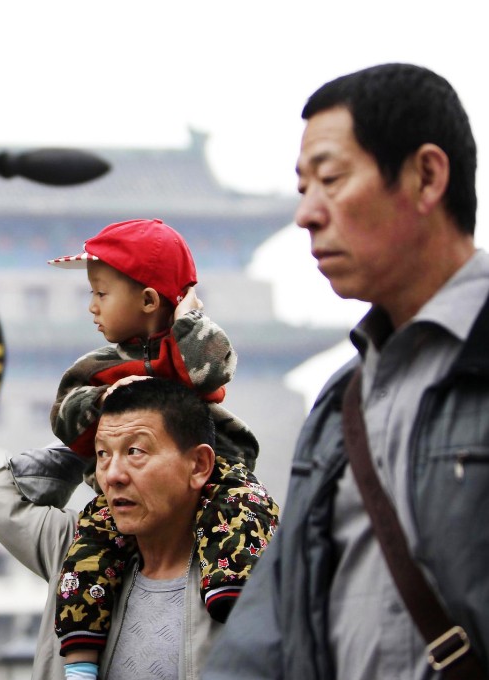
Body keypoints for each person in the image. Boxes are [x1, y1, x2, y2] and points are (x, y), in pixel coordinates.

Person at [204, 63, 488, 679]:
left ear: (427, 176)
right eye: (303, 187)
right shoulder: (341, 406)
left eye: (330, 179)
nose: (306, 214)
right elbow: (269, 626)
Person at [45, 219, 279, 678]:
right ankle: (79, 659)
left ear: (149, 301)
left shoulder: (191, 346)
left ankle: (231, 592)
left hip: (217, 477)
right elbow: (63, 415)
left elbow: (213, 371)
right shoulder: (97, 367)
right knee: (88, 551)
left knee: (247, 507)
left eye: (101, 293)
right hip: (132, 498)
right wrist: (102, 400)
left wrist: (188, 319)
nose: (92, 306)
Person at [0, 378, 225, 680]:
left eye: (135, 452)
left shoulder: (238, 574)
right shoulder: (79, 554)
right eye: (102, 455)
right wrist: (84, 436)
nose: (113, 476)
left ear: (198, 465)